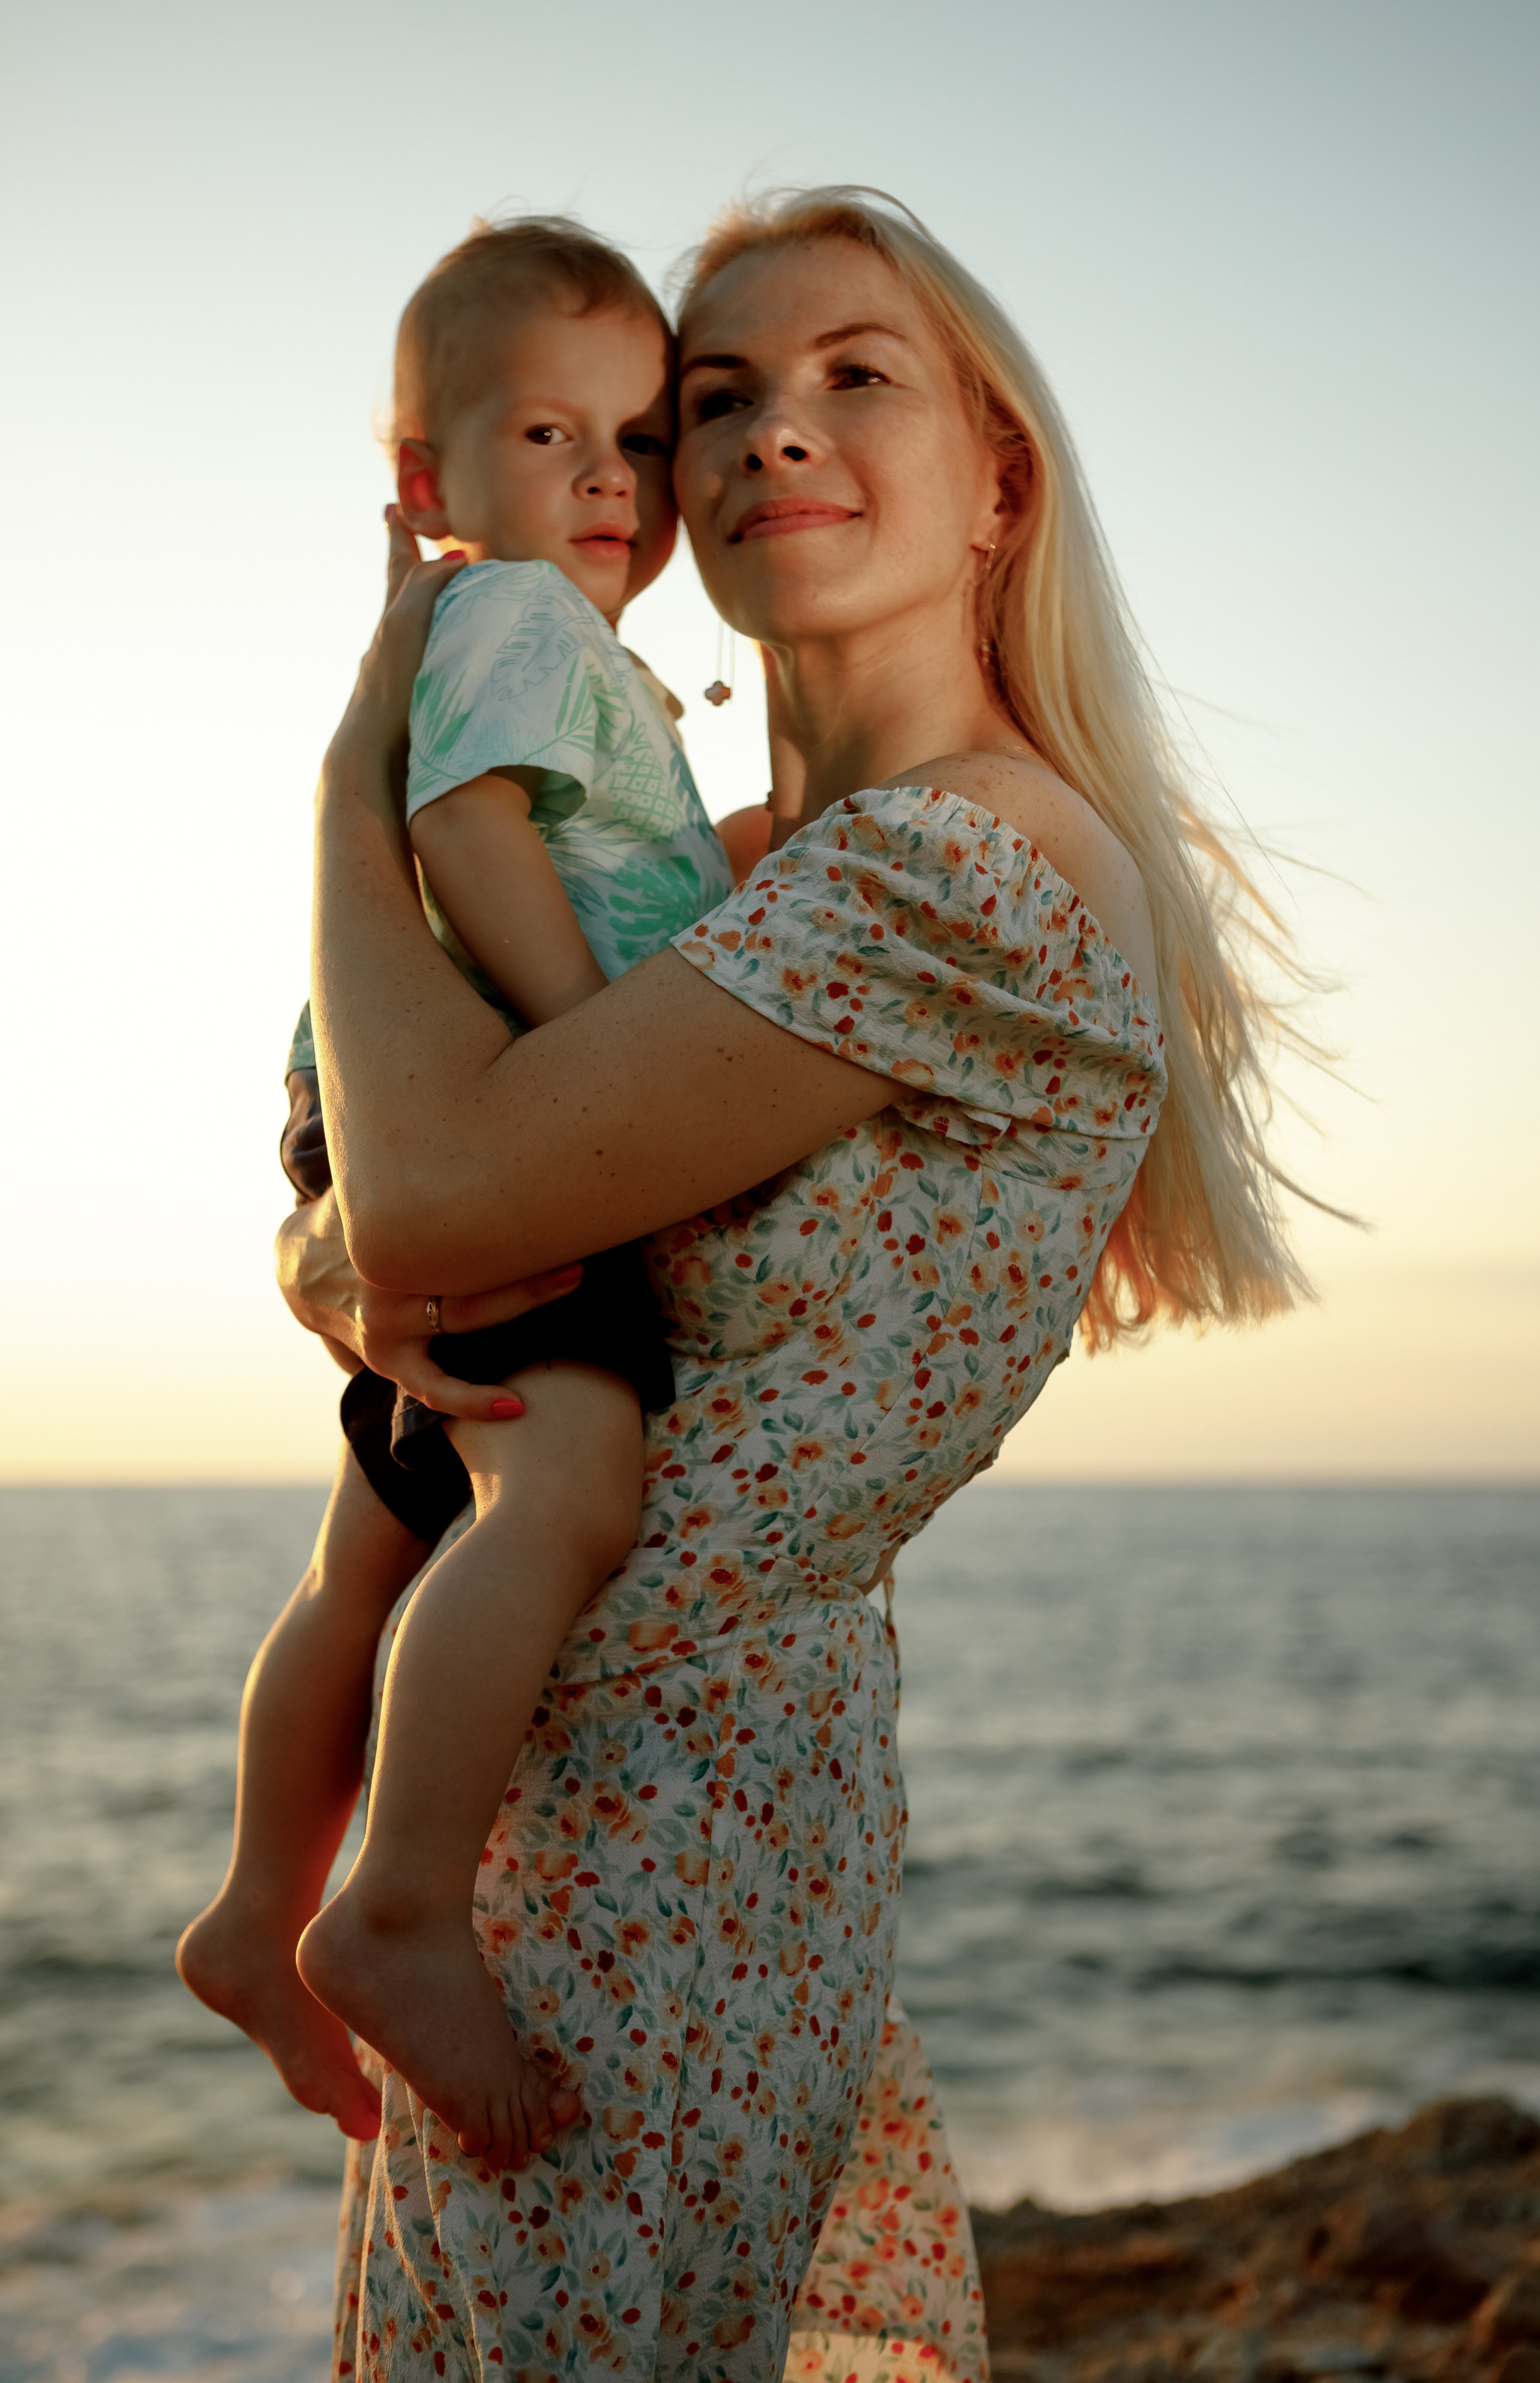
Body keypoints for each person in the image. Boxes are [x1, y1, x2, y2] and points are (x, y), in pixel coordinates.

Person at [279, 187, 1305, 2382]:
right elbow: (384, 1192)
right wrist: (350, 1263)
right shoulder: (742, 885)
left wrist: (351, 779)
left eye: (859, 376)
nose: (765, 436)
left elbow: (445, 1184)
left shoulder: (965, 867)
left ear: (998, 476)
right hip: (587, 1830)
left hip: (667, 1860)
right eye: (711, 400)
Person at [177, 217, 737, 2168]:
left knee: (378, 1544)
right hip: (475, 1102)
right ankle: (392, 1908)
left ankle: (258, 1903)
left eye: (640, 440)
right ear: (429, 482)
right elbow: (461, 823)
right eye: (549, 433)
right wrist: (597, 1043)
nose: (609, 480)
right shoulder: (512, 618)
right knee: (566, 1481)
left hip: (387, 1110)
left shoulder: (555, 642)